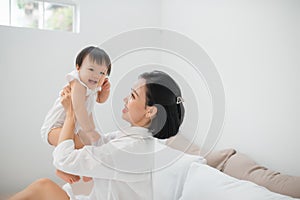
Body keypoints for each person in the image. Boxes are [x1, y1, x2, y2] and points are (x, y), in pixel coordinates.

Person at [10, 70, 196, 200]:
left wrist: (71, 114)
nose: (125, 99)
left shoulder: (131, 149)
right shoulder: (130, 139)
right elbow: (90, 142)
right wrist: (85, 98)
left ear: (150, 111)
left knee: (44, 188)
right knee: (44, 187)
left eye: (132, 96)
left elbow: (64, 158)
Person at [40, 46, 112, 183]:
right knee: (80, 145)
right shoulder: (77, 83)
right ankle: (61, 168)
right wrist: (90, 130)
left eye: (102, 73)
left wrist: (104, 93)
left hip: (73, 127)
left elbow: (99, 100)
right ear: (78, 68)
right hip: (54, 127)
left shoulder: (92, 86)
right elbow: (78, 108)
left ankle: (83, 170)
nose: (97, 75)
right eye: (91, 69)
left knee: (91, 146)